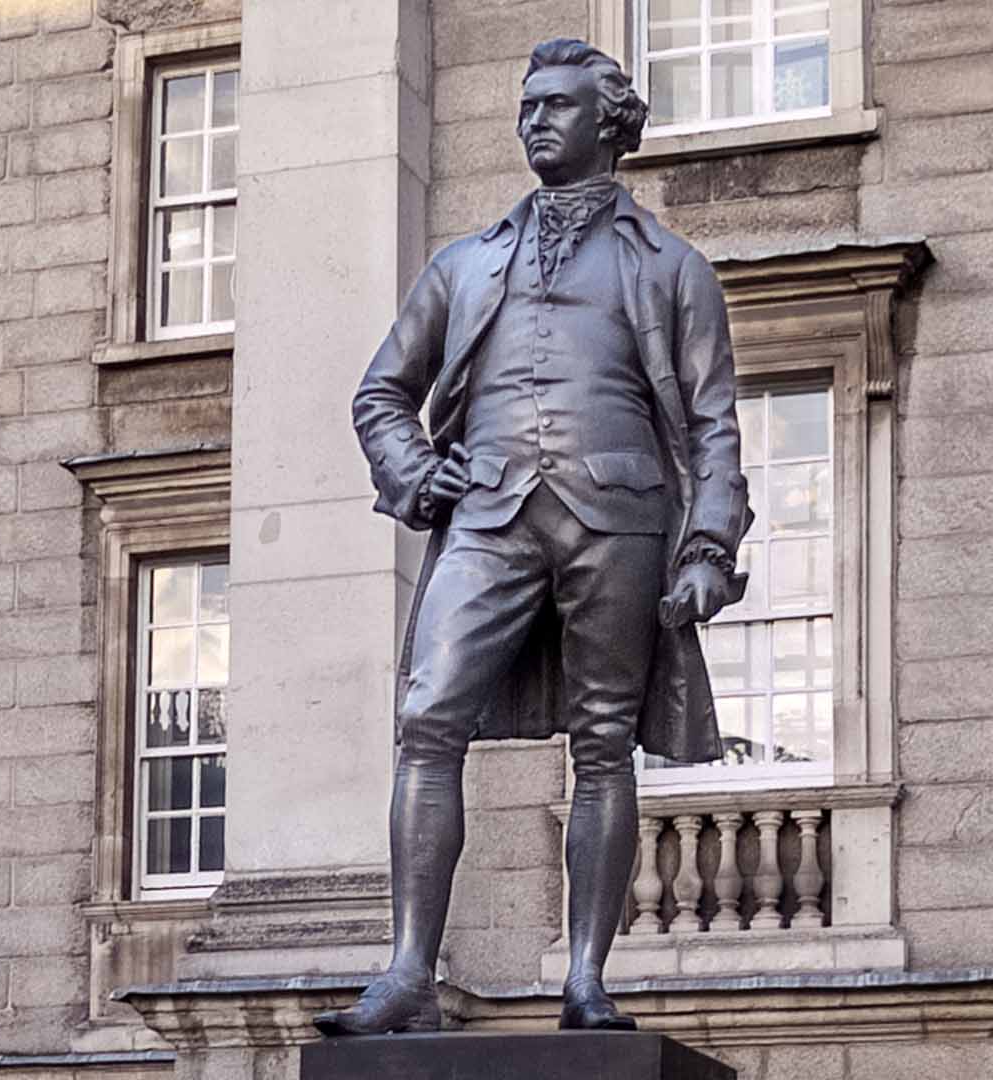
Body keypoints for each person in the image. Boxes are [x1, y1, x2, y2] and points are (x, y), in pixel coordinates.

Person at [317, 37, 752, 1035]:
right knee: (428, 720)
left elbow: (716, 423)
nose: (536, 122)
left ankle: (587, 978)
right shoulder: (467, 264)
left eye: (557, 106)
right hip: (490, 514)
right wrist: (419, 473)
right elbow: (383, 392)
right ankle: (408, 973)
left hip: (622, 514)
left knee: (604, 750)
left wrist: (708, 548)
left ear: (611, 124)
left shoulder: (673, 268)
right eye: (527, 108)